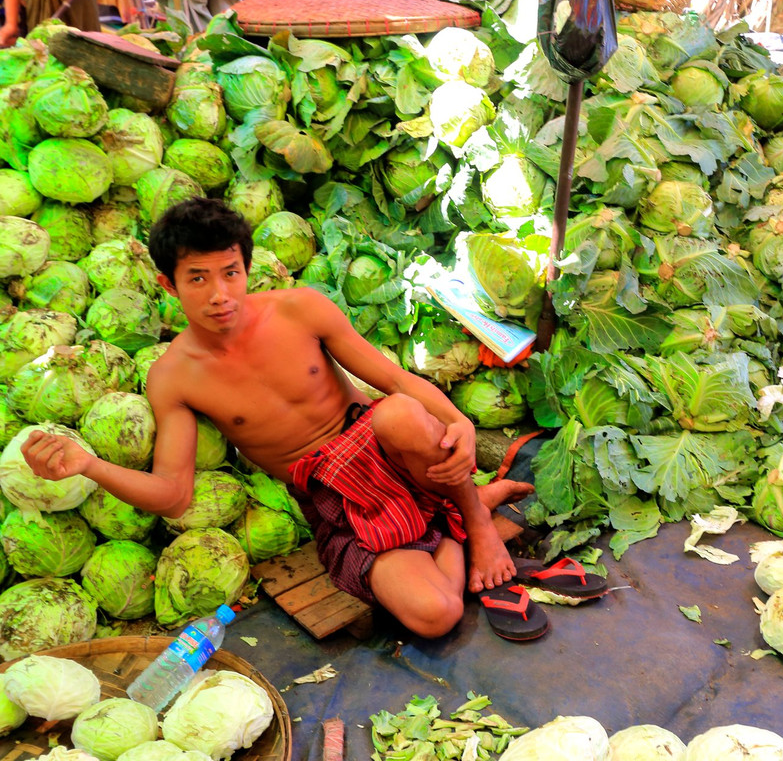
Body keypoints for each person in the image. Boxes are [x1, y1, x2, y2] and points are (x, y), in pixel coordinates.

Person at [21, 197, 532, 639]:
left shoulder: (299, 309)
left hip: (391, 448)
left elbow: (397, 381)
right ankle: (455, 527)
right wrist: (87, 465)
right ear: (169, 285)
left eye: (230, 273)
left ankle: (476, 519)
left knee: (399, 412)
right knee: (435, 615)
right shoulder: (174, 377)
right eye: (197, 279)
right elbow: (172, 496)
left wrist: (461, 423)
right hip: (339, 500)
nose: (220, 294)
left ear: (246, 267)